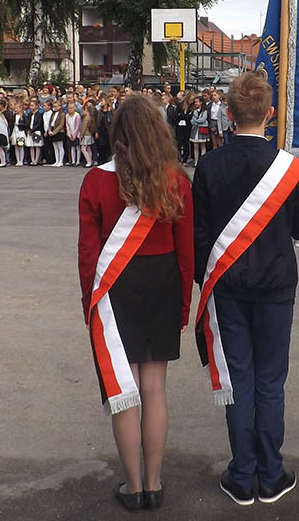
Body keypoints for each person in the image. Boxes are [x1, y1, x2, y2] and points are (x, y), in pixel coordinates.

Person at [193, 72, 299, 506]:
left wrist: (209, 279)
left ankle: (242, 475)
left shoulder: (208, 165)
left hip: (227, 287)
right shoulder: (291, 168)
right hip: (277, 285)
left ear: (227, 113)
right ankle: (271, 471)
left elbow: (199, 236)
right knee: (270, 382)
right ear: (271, 115)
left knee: (238, 380)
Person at [77, 93, 192, 513]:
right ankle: (155, 483)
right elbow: (185, 251)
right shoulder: (175, 179)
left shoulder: (95, 181)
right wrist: (183, 303)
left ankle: (134, 486)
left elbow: (89, 255)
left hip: (116, 289)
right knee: (154, 388)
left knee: (123, 393)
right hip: (163, 283)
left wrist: (89, 304)